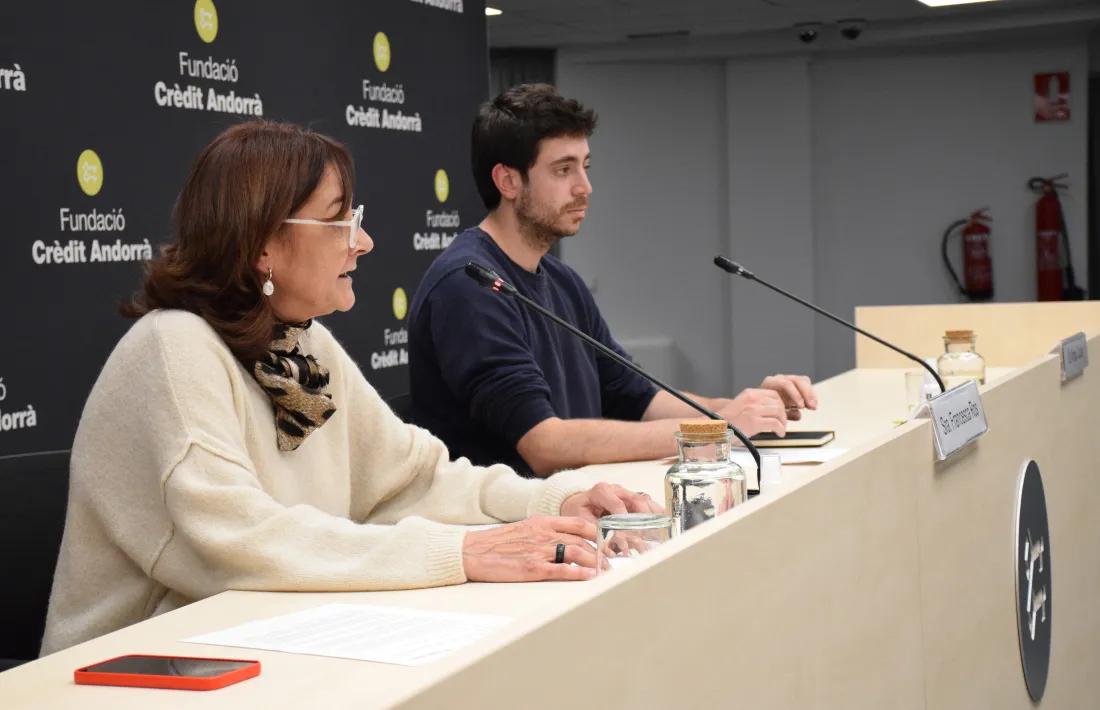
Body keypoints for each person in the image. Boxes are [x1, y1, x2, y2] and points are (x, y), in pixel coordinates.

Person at [40, 121, 659, 656]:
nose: (362, 241)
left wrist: (551, 503)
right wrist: (465, 551)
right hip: (128, 673)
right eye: (339, 220)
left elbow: (412, 480)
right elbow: (237, 542)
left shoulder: (302, 342)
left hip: (253, 644)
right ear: (263, 244)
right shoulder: (174, 346)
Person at [408, 84, 819, 478]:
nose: (584, 187)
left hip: (578, 505)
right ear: (508, 181)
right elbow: (543, 444)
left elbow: (637, 396)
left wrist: (745, 410)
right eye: (563, 170)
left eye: (585, 167)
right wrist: (716, 429)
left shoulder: (562, 281)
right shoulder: (468, 286)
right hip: (508, 519)